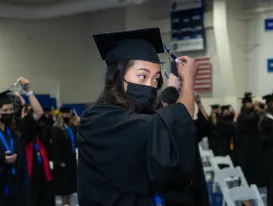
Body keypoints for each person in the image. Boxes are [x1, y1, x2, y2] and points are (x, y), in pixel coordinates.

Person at [77, 28, 199, 206]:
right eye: (142, 76)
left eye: (156, 79)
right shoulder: (98, 121)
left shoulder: (140, 117)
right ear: (117, 75)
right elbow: (178, 123)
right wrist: (188, 82)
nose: (150, 85)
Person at [0, 77, 42, 206]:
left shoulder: (16, 130)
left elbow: (38, 113)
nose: (9, 113)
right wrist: (2, 159)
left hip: (19, 188)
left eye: (11, 110)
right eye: (5, 111)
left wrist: (29, 92)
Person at [159, 86, 210, 206]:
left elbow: (206, 125)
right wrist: (199, 103)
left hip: (178, 188)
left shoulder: (162, 129)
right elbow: (206, 123)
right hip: (188, 185)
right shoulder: (187, 126)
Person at [236, 92, 263, 186]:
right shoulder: (242, 116)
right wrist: (256, 109)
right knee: (246, 166)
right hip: (245, 145)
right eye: (248, 104)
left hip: (254, 144)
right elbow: (253, 119)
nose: (250, 105)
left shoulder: (251, 114)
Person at [52, 107, 78, 206]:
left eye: (69, 114)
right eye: (66, 114)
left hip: (70, 158)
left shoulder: (70, 127)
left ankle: (69, 203)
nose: (67, 116)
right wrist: (59, 160)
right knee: (63, 185)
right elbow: (55, 146)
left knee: (70, 185)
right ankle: (64, 203)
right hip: (62, 160)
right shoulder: (56, 129)